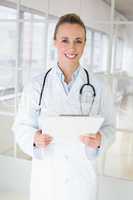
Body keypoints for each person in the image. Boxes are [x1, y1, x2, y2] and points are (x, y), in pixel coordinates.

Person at [12, 13, 116, 200]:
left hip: (82, 179)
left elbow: (110, 127)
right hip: (47, 178)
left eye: (78, 41)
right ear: (55, 42)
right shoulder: (36, 86)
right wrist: (34, 138)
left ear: (85, 43)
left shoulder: (100, 87)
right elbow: (20, 126)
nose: (72, 47)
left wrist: (100, 139)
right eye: (65, 40)